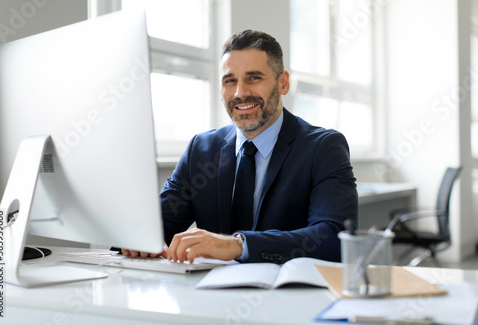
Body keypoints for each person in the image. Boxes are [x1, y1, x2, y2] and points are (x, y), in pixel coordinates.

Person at [122, 30, 358, 264]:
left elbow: (335, 238)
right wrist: (137, 237)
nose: (240, 93)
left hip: (289, 294)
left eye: (254, 78)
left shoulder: (324, 147)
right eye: (230, 81)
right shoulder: (201, 150)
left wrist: (238, 245)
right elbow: (155, 227)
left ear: (283, 82)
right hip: (209, 293)